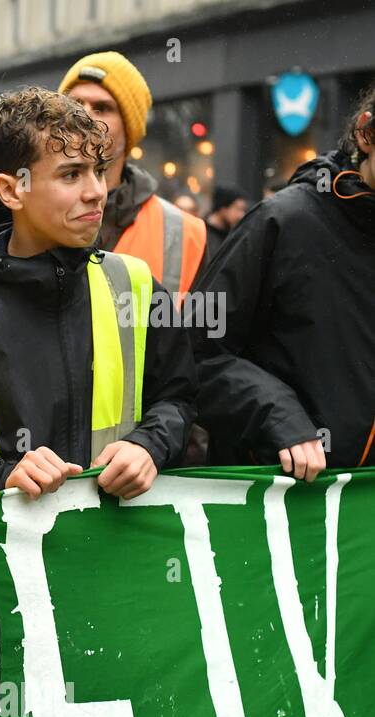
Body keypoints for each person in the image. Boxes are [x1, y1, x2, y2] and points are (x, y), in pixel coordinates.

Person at [0, 87, 197, 501]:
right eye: (71, 174)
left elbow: (179, 397)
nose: (96, 191)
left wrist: (150, 445)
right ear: (11, 190)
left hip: (118, 554)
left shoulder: (134, 284)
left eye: (98, 170)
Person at [192, 86, 375, 476]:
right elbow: (195, 352)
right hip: (276, 503)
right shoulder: (283, 221)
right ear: (366, 134)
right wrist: (276, 414)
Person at [60, 51, 208, 301]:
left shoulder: (186, 234)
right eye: (74, 105)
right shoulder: (26, 210)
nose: (84, 117)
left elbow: (198, 336)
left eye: (102, 108)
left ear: (130, 129)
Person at [202, 185, 248, 257]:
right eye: (238, 209)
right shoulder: (203, 235)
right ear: (223, 209)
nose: (241, 215)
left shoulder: (235, 235)